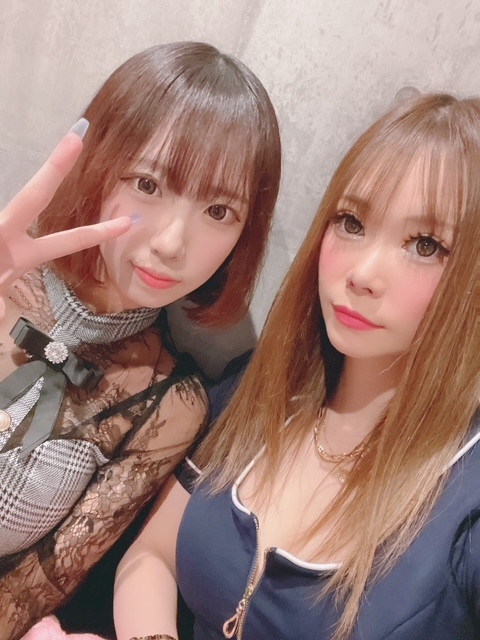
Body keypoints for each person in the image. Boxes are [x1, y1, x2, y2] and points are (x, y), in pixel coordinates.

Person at [114, 92, 479, 640]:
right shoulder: (264, 386)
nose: (362, 274)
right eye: (352, 222)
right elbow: (154, 555)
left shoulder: (465, 501)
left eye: (425, 245)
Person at [0, 41, 281, 640]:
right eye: (149, 184)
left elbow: (31, 591)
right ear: (98, 163)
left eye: (219, 211)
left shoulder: (168, 404)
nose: (172, 243)